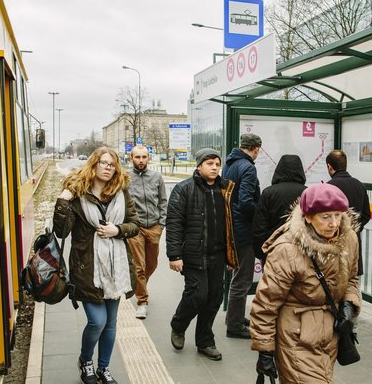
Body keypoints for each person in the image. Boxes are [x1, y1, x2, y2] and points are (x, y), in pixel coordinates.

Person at [250, 183, 362, 383]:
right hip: (296, 337)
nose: (334, 223)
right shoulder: (287, 249)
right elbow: (266, 303)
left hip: (330, 336)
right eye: (325, 217)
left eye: (338, 215)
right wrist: (264, 349)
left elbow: (352, 277)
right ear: (308, 217)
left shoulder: (349, 239)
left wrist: (348, 304)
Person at [53, 147, 140, 384]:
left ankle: (103, 368)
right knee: (97, 321)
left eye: (111, 164)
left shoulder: (121, 193)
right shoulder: (78, 193)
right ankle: (85, 360)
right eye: (103, 163)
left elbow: (135, 225)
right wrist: (63, 200)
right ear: (93, 164)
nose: (107, 167)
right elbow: (61, 230)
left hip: (116, 268)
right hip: (87, 268)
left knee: (111, 323)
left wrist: (117, 230)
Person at [166, 148, 236, 361]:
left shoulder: (226, 189)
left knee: (214, 298)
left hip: (218, 254)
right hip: (194, 254)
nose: (215, 167)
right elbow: (174, 223)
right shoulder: (183, 189)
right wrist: (174, 255)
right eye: (209, 163)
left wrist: (232, 255)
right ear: (199, 166)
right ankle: (178, 325)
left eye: (217, 163)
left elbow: (231, 223)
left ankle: (205, 341)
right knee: (197, 294)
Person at [222, 133, 262, 339]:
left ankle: (233, 317)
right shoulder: (248, 167)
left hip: (231, 226)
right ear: (255, 148)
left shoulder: (230, 164)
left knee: (238, 276)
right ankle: (235, 326)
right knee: (243, 279)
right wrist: (259, 216)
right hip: (243, 230)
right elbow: (246, 201)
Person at [126, 145, 167, 319]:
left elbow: (163, 201)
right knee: (139, 266)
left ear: (148, 158)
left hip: (154, 228)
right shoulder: (125, 178)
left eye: (144, 157)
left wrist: (161, 224)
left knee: (151, 265)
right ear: (131, 158)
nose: (141, 160)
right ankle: (142, 301)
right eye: (137, 157)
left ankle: (139, 284)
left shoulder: (156, 177)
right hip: (136, 228)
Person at [252, 154, 307, 267]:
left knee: (273, 283)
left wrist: (260, 252)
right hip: (301, 249)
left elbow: (259, 226)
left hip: (273, 248)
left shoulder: (269, 193)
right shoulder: (307, 193)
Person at [326, 149, 371, 275]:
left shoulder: (329, 187)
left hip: (334, 244)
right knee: (353, 283)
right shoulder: (360, 185)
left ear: (329, 167)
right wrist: (354, 229)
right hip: (354, 244)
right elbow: (367, 215)